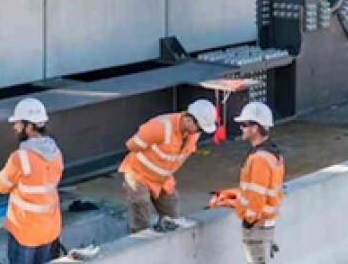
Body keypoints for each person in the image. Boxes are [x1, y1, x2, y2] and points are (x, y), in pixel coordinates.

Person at [119, 99, 217, 233]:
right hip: (138, 174)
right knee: (141, 210)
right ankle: (140, 244)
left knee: (171, 214)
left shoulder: (193, 133)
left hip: (163, 179)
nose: (199, 132)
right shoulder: (160, 126)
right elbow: (132, 145)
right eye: (199, 128)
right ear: (189, 120)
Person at [209, 102, 284, 263]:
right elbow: (259, 189)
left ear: (255, 128)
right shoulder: (272, 153)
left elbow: (257, 196)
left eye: (244, 124)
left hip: (257, 226)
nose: (241, 128)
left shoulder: (259, 159)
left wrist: (248, 221)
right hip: (265, 223)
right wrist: (230, 198)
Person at [0, 98, 63, 264]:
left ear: (29, 126)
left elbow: (1, 186)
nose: (15, 127)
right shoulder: (56, 153)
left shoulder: (20, 157)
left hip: (24, 230)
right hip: (49, 228)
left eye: (18, 124)